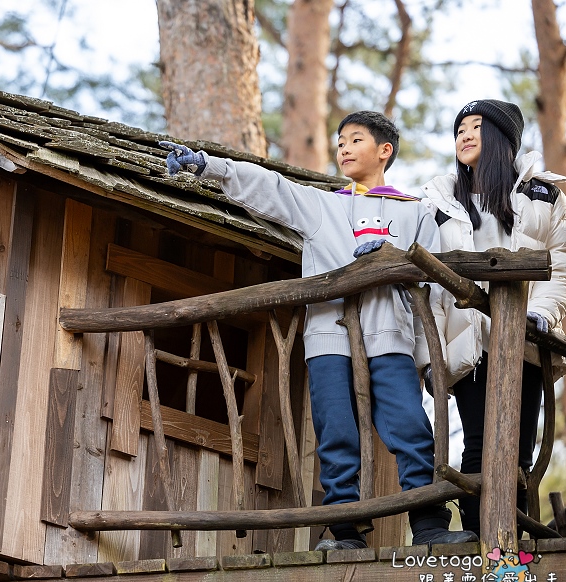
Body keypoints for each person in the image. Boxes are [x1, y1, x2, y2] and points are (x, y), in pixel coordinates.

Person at [162, 111, 477, 550]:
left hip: (392, 338)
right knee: (335, 431)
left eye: (356, 140)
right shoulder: (321, 205)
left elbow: (432, 287)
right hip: (329, 337)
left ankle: (428, 524)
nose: (343, 148)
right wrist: (207, 165)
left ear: (384, 151)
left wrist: (429, 356)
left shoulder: (417, 214)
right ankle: (343, 530)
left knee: (409, 427)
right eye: (340, 141)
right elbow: (270, 186)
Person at [419, 99, 566, 535]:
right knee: (479, 446)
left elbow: (562, 262)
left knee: (518, 450)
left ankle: (513, 544)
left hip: (525, 341)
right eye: (459, 129)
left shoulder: (543, 196)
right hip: (468, 344)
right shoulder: (440, 204)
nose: (465, 135)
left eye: (476, 126)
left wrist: (542, 313)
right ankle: (478, 541)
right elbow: (429, 286)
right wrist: (430, 355)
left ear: (504, 139)